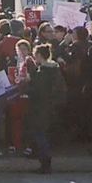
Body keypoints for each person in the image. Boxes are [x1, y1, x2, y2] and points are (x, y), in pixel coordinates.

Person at [27, 44, 65, 174]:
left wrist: (27, 83)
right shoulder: (55, 69)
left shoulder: (42, 72)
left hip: (41, 107)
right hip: (51, 106)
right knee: (44, 133)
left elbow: (36, 91)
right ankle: (43, 159)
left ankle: (45, 161)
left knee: (39, 133)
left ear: (38, 56)